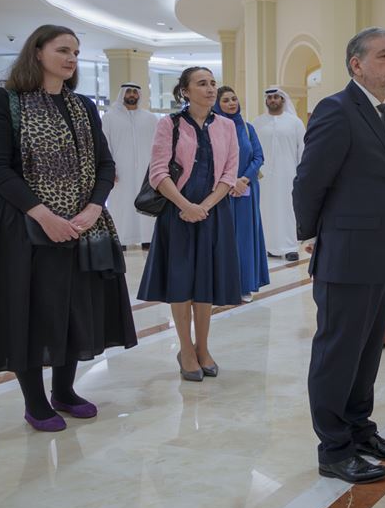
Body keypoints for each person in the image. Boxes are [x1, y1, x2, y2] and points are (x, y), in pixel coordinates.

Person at [0, 25, 136, 432]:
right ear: (37, 52)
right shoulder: (2, 101)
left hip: (84, 224)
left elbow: (105, 164)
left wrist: (92, 208)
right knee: (30, 309)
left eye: (76, 53)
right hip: (23, 224)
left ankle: (64, 392)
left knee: (75, 307)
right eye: (63, 50)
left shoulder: (83, 105)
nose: (71, 58)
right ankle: (35, 402)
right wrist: (44, 214)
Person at [293, 27, 385, 484]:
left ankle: (360, 430)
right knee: (337, 355)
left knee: (366, 355)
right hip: (346, 253)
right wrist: (314, 234)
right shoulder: (336, 110)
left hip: (382, 255)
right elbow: (309, 182)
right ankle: (335, 448)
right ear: (356, 64)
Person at [138, 67, 241, 381]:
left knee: (205, 283)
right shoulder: (168, 125)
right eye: (202, 84)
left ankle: (203, 347)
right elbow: (158, 173)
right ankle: (185, 349)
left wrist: (205, 207)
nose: (210, 89)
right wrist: (186, 206)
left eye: (212, 83)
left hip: (213, 212)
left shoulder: (226, 126)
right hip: (176, 213)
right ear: (184, 91)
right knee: (181, 281)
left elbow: (229, 173)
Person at [214, 87, 268, 302]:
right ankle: (222, 284)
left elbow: (258, 157)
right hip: (220, 191)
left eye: (234, 99)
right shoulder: (213, 128)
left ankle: (244, 285)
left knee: (244, 238)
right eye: (225, 100)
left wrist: (243, 180)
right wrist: (229, 182)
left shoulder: (247, 128)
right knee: (223, 237)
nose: (231, 103)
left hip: (247, 190)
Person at [99, 82, 159, 248]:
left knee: (146, 203)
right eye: (129, 91)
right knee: (120, 206)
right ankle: (121, 240)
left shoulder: (150, 118)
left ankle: (148, 239)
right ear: (122, 94)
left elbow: (158, 145)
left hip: (146, 171)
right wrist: (110, 169)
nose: (132, 94)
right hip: (120, 172)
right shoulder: (109, 118)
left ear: (139, 95)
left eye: (135, 91)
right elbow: (104, 145)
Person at [253, 86, 304, 262]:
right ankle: (270, 246)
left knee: (289, 210)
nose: (273, 100)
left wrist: (301, 174)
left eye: (276, 97)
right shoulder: (257, 123)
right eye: (270, 98)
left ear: (283, 100)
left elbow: (302, 150)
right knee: (266, 209)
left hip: (290, 175)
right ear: (266, 101)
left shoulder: (295, 123)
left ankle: (290, 247)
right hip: (264, 177)